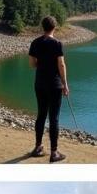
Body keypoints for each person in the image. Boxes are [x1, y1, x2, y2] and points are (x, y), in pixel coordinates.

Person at [28, 16, 70, 163]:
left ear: (43, 27)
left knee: (41, 115)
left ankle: (38, 147)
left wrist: (42, 63)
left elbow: (32, 64)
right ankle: (54, 153)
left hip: (39, 84)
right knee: (54, 118)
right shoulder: (57, 43)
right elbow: (61, 65)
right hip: (55, 85)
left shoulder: (35, 42)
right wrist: (65, 84)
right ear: (55, 27)